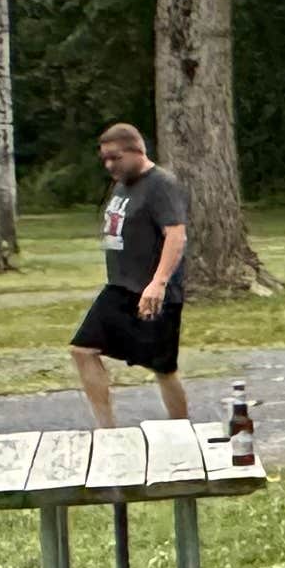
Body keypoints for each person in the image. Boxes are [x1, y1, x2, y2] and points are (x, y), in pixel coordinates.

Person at [72, 122, 192, 426]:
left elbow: (176, 235)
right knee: (82, 350)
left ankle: (181, 431)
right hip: (120, 287)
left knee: (163, 368)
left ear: (138, 150)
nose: (110, 165)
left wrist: (158, 282)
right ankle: (108, 431)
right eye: (105, 159)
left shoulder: (160, 184)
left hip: (152, 292)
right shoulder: (123, 182)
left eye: (116, 157)